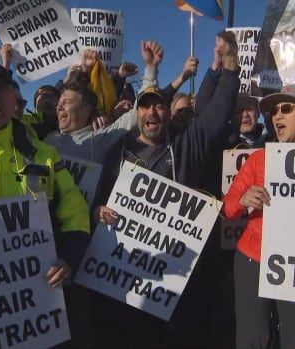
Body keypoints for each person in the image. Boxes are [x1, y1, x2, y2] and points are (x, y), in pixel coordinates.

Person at [94, 31, 240, 349]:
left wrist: (229, 68)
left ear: (168, 112)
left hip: (179, 281)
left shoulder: (186, 145)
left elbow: (216, 117)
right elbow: (96, 200)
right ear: (137, 114)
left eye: (159, 106)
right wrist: (98, 212)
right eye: (145, 107)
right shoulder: (116, 151)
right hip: (127, 279)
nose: (152, 113)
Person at [223, 84, 295, 349]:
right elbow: (228, 208)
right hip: (253, 259)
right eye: (274, 111)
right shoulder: (259, 159)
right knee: (252, 341)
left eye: (286, 109)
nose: (277, 116)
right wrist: (242, 199)